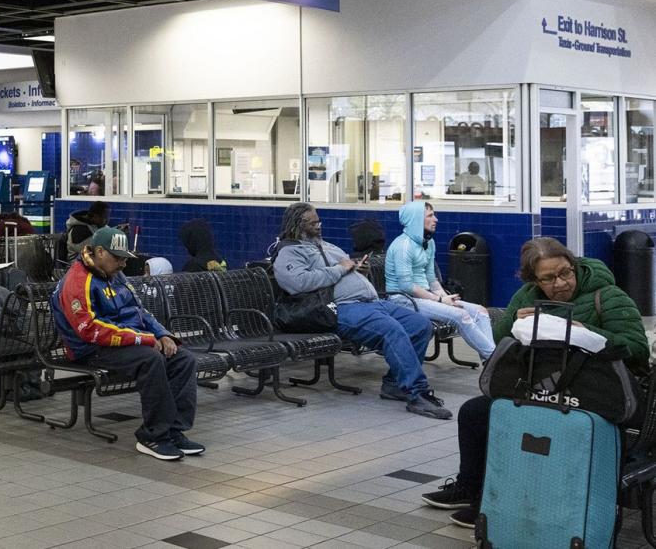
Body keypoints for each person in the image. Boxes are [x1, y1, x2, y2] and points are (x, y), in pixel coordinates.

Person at [420, 237, 648, 529]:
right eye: (548, 279)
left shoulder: (607, 296)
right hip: (544, 390)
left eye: (566, 272)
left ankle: (496, 504)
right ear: (534, 280)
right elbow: (500, 341)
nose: (561, 283)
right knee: (475, 413)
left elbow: (637, 350)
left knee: (532, 425)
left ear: (574, 265)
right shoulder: (527, 296)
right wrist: (517, 320)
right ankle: (471, 487)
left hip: (595, 397)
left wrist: (582, 329)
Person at [274, 202, 451, 419]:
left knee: (419, 325)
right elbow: (298, 283)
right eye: (313, 222)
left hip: (371, 302)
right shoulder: (288, 253)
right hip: (339, 309)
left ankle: (394, 384)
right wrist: (340, 268)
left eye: (319, 221)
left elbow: (345, 272)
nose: (319, 226)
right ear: (299, 224)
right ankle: (418, 393)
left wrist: (360, 271)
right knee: (390, 330)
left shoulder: (329, 247)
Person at [52, 227, 203, 461]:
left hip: (123, 341)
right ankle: (152, 436)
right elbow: (90, 330)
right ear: (99, 251)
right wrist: (142, 338)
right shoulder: (77, 280)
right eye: (118, 258)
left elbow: (139, 311)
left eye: (125, 258)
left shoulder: (115, 274)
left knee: (182, 358)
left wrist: (163, 334)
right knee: (151, 359)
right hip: (90, 349)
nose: (123, 264)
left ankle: (173, 431)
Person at [385, 201, 494, 359]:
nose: (436, 219)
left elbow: (431, 278)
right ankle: (495, 359)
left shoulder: (428, 243)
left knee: (480, 311)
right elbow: (406, 285)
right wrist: (440, 300)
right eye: (430, 215)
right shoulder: (403, 246)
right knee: (461, 315)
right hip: (403, 300)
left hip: (424, 298)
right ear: (416, 219)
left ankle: (490, 363)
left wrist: (446, 298)